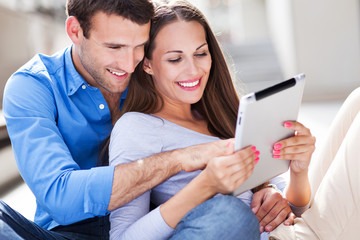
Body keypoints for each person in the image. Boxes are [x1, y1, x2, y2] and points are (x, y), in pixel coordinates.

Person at [0, 0, 294, 239]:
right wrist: (180, 159)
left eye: (139, 45)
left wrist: (261, 186)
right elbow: (60, 197)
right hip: (68, 233)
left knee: (229, 216)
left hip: (159, 226)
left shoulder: (154, 72)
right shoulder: (33, 87)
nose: (130, 64)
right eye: (114, 47)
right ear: (75, 31)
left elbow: (214, 122)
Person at [108, 1, 316, 239]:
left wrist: (298, 173)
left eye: (200, 53)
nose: (193, 70)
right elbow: (123, 237)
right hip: (238, 229)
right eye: (175, 59)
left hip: (290, 232)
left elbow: (297, 209)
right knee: (230, 213)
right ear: (147, 65)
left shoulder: (224, 114)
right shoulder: (137, 127)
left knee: (354, 106)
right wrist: (205, 186)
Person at [268, 87, 360, 239]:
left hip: (289, 223)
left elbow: (294, 206)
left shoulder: (227, 118)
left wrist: (298, 172)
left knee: (358, 98)